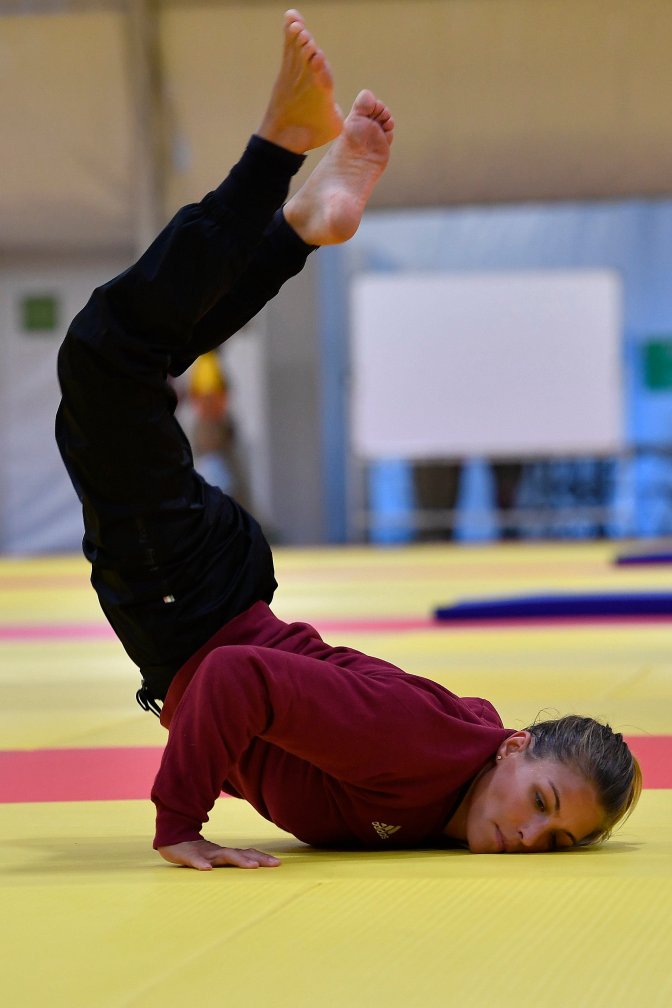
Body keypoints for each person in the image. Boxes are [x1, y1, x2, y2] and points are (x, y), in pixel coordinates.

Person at [56, 10, 641, 871]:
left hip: (204, 605)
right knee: (108, 357)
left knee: (127, 366)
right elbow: (235, 682)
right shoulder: (417, 754)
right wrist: (180, 823)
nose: (527, 834)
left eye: (554, 840)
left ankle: (299, 228)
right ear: (515, 747)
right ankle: (278, 156)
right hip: (194, 611)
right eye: (542, 803)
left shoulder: (439, 789)